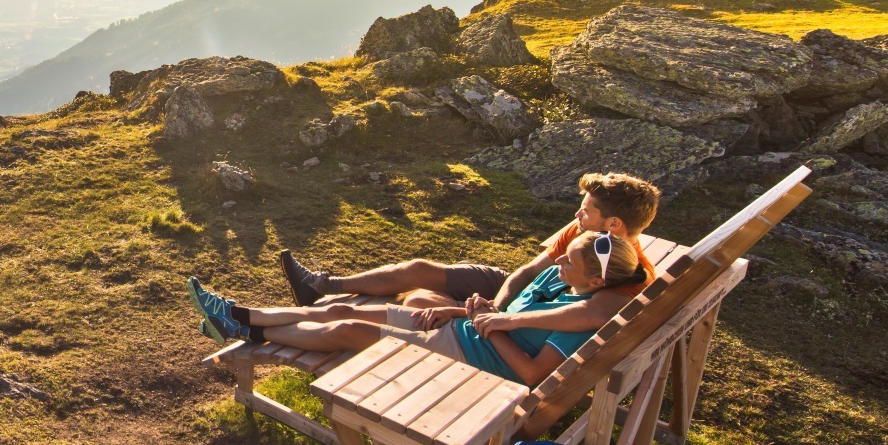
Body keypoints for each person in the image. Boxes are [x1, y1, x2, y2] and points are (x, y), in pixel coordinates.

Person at [191, 229, 643, 386]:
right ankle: (241, 312)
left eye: (571, 260)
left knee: (345, 331)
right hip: (458, 329)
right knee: (336, 311)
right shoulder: (557, 277)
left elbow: (529, 375)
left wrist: (487, 326)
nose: (559, 259)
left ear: (596, 281)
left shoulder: (578, 322)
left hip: (471, 359)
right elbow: (500, 313)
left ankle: (243, 332)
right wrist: (467, 311)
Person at [276, 172, 662, 329]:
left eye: (588, 208)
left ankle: (326, 317)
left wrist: (498, 313)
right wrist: (503, 300)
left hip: (524, 319)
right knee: (420, 268)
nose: (578, 212)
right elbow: (527, 272)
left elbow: (570, 317)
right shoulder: (584, 236)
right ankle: (323, 285)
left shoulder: (621, 279)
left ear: (614, 224)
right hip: (518, 298)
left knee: (421, 299)